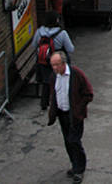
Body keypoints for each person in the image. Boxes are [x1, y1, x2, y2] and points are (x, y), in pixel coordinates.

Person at [48, 51, 94, 184]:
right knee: (68, 141)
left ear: (64, 63)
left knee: (74, 141)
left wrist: (78, 110)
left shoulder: (76, 74)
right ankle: (75, 165)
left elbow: (88, 94)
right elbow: (53, 92)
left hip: (74, 115)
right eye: (52, 65)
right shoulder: (54, 76)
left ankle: (80, 169)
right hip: (62, 115)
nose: (55, 68)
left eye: (57, 65)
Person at [31, 11, 75, 110]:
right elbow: (70, 49)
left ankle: (44, 103)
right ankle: (59, 103)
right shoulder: (62, 33)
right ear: (56, 20)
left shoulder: (39, 32)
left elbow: (34, 45)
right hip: (59, 60)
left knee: (46, 82)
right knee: (61, 81)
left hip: (44, 62)